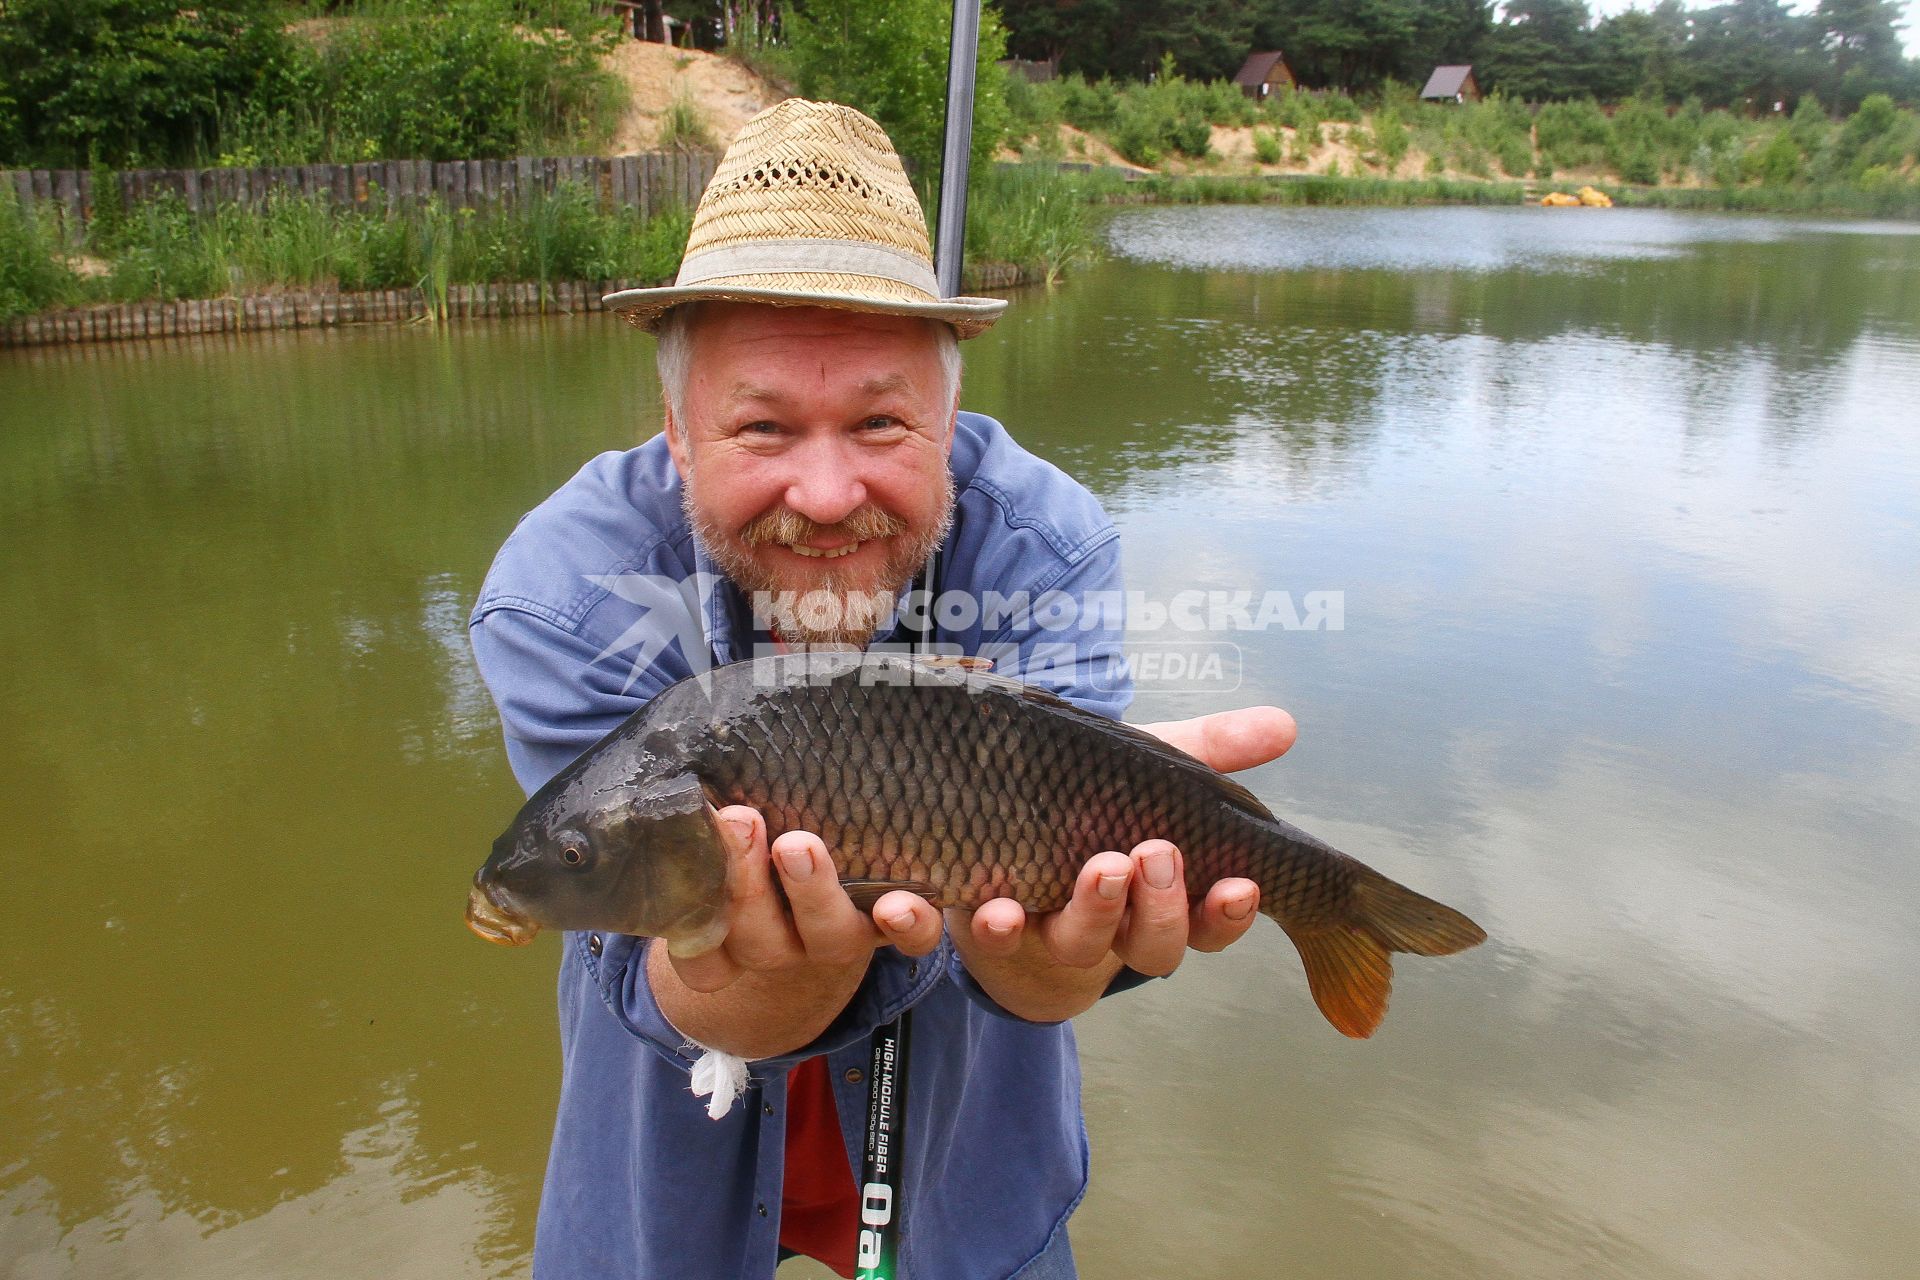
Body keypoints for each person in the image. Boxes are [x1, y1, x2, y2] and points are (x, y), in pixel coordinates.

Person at [468, 99, 1294, 1280]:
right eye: (761, 425)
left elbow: (1040, 949)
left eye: (880, 422)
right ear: (677, 430)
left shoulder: (1040, 542)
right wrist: (757, 990)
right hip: (664, 1171)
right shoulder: (562, 590)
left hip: (963, 1162)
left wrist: (1056, 961)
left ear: (949, 420)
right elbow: (635, 951)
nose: (823, 490)